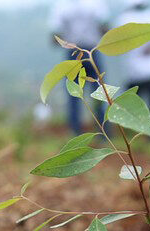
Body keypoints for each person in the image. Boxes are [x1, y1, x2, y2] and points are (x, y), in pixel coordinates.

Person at [48, 0, 110, 134]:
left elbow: (54, 37)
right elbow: (105, 28)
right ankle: (104, 131)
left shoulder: (61, 6)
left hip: (73, 53)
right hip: (93, 52)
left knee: (74, 93)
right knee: (100, 91)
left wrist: (66, 41)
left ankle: (75, 131)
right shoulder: (96, 4)